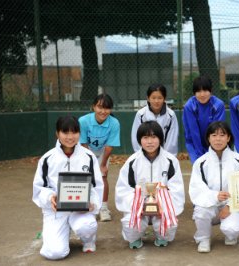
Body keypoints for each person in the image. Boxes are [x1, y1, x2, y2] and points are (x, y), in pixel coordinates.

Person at [32, 115, 104, 260]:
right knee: (55, 253)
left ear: (79, 133)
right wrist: (49, 197)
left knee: (87, 225)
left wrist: (92, 204)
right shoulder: (47, 159)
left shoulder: (88, 157)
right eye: (65, 132)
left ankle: (88, 240)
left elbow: (96, 186)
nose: (70, 137)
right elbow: (39, 188)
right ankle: (58, 233)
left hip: (80, 211)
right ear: (57, 134)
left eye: (74, 132)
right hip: (56, 211)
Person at [115, 121, 185, 249]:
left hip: (162, 205)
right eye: (145, 137)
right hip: (138, 205)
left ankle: (161, 237)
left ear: (160, 139)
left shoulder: (171, 161)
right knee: (130, 225)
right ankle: (135, 238)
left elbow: (176, 189)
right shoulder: (132, 161)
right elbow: (124, 189)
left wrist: (161, 207)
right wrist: (139, 207)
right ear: (139, 140)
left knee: (169, 225)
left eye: (154, 137)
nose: (150, 141)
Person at [189, 121, 239, 252]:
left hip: (232, 207)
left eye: (222, 135)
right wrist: (215, 196)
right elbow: (196, 190)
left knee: (231, 229)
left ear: (228, 138)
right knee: (200, 212)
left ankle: (230, 235)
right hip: (210, 205)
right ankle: (204, 239)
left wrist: (230, 205)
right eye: (214, 135)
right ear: (208, 138)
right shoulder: (200, 163)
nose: (218, 139)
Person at [79, 94, 120, 222]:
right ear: (94, 107)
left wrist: (102, 165)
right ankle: (86, 206)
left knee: (102, 176)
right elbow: (83, 144)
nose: (103, 111)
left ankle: (103, 208)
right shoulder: (83, 121)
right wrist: (91, 164)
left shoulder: (114, 123)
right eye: (100, 107)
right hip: (87, 150)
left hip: (103, 150)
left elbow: (109, 146)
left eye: (107, 108)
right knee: (86, 177)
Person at [183, 76, 226, 164]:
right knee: (199, 168)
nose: (202, 94)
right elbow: (193, 132)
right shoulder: (189, 106)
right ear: (194, 93)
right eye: (198, 91)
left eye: (205, 90)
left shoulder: (219, 105)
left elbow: (216, 131)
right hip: (194, 144)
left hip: (214, 143)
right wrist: (199, 156)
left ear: (211, 91)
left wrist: (211, 152)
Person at [131, 84, 179, 156]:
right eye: (153, 98)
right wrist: (141, 155)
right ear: (148, 98)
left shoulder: (171, 115)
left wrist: (166, 157)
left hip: (164, 157)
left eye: (160, 98)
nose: (156, 101)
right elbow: (136, 137)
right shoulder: (140, 114)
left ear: (164, 99)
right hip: (144, 155)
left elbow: (172, 139)